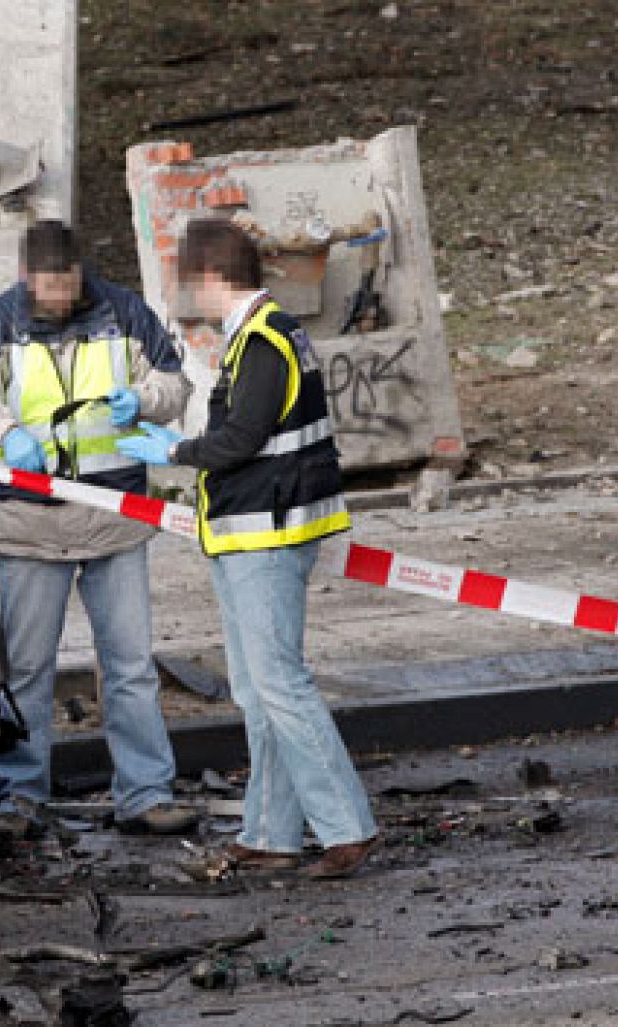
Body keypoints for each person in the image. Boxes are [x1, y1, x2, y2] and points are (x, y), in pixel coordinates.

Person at [117, 218, 379, 879]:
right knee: (258, 691)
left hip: (267, 536)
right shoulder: (263, 336)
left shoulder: (263, 342)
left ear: (210, 279)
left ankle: (346, 827)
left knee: (280, 686)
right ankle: (271, 831)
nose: (183, 295)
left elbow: (239, 441)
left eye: (186, 282)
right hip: (252, 533)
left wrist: (172, 450)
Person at [0, 220, 197, 844]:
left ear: (81, 273)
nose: (59, 297)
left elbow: (175, 383)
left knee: (131, 667)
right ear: (28, 277)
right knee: (28, 670)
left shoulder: (123, 312)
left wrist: (143, 400)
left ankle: (145, 794)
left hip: (115, 519)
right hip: (30, 523)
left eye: (68, 283)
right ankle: (19, 797)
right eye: (48, 286)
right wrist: (5, 431)